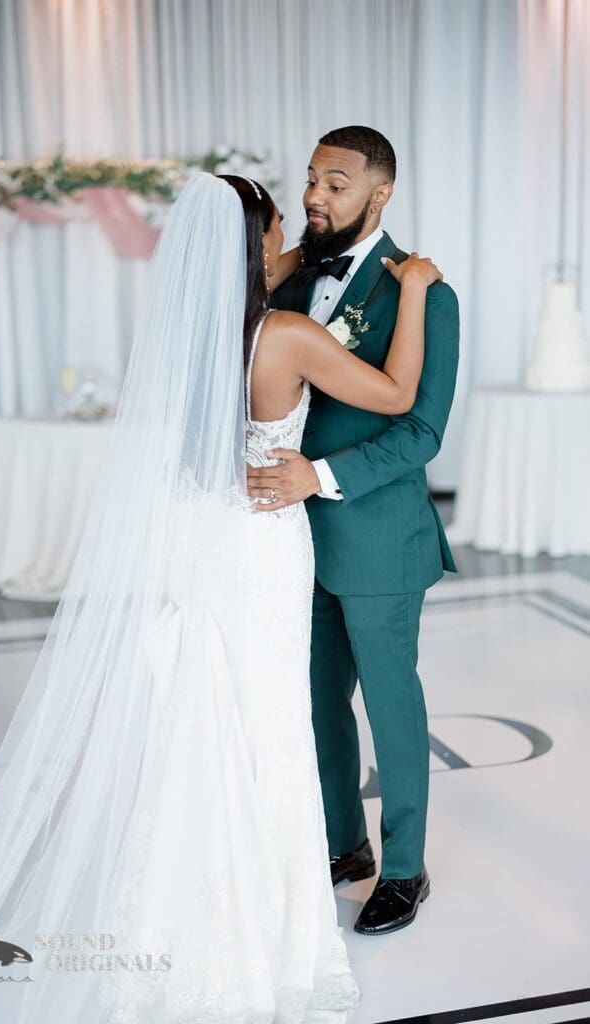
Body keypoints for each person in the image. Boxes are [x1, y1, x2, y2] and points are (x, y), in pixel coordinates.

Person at [0, 171, 441, 1023]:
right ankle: (255, 908)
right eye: (274, 226)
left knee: (200, 704)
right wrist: (411, 290)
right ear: (256, 243)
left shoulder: (188, 334)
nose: (288, 238)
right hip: (263, 538)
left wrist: (287, 242)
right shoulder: (287, 333)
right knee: (263, 717)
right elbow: (400, 397)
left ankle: (175, 883)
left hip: (201, 536)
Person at [249, 125, 460, 935]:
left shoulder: (424, 293)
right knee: (314, 700)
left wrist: (322, 477)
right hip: (291, 540)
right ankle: (343, 845)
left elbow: (422, 432)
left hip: (377, 537)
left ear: (381, 192)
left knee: (389, 703)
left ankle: (404, 868)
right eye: (309, 179)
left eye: (335, 183)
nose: (313, 196)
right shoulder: (291, 283)